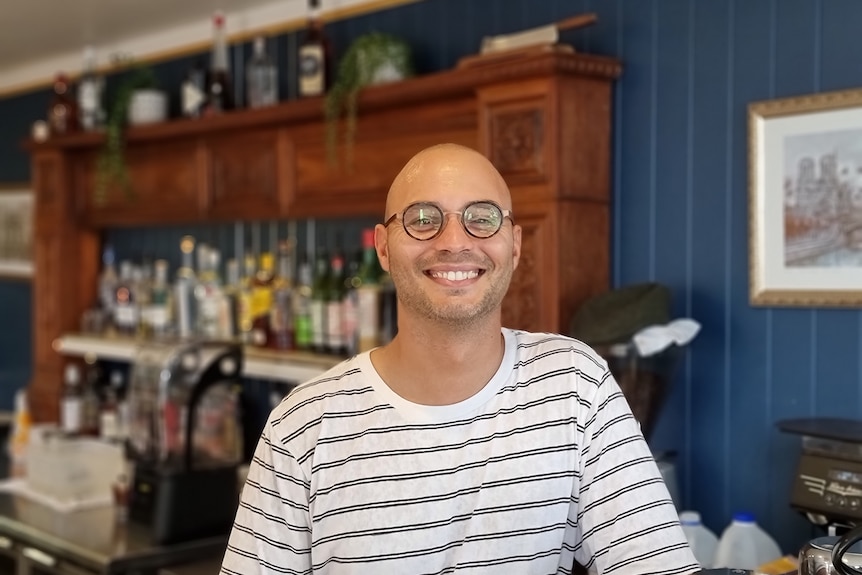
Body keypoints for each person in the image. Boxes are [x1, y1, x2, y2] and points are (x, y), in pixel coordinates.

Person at [220, 143, 699, 574]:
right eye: (423, 219)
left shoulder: (575, 387)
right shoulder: (303, 424)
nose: (453, 240)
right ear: (384, 248)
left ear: (514, 244)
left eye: (482, 217)